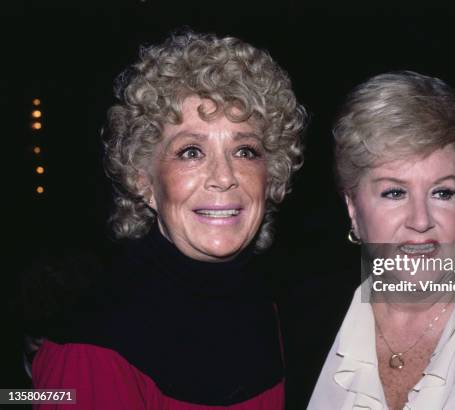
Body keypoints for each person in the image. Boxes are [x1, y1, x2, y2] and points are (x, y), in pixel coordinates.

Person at [31, 30, 306, 409]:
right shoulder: (89, 344)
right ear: (143, 179)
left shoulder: (273, 312)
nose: (224, 176)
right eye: (191, 151)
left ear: (271, 174)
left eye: (245, 151)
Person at [308, 71, 455, 410]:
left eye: (442, 192)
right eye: (394, 192)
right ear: (353, 210)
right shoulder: (297, 321)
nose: (420, 220)